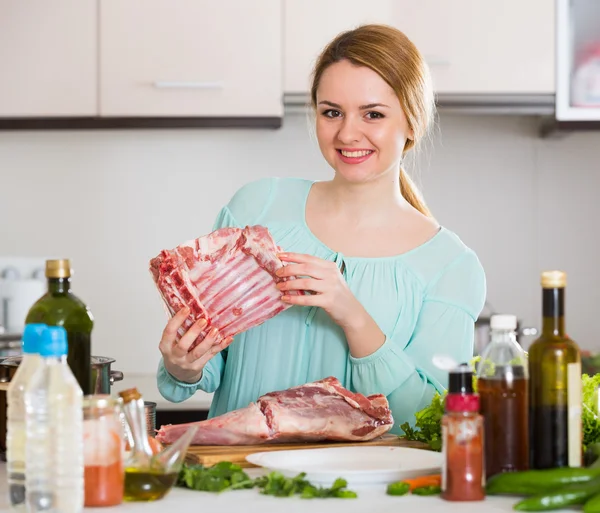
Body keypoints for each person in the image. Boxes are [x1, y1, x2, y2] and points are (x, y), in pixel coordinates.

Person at [156, 24, 486, 433]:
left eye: (373, 114)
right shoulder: (257, 207)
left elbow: (432, 419)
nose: (347, 133)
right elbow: (207, 369)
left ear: (412, 123)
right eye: (332, 112)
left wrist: (352, 315)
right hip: (242, 480)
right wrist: (182, 364)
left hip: (367, 494)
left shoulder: (450, 265)